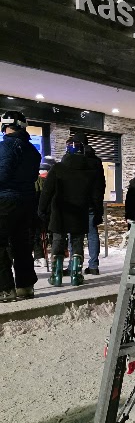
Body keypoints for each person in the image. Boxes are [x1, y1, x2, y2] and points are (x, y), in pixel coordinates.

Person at [38, 135, 103, 287]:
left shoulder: (57, 168)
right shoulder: (90, 171)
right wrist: (98, 212)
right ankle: (76, 275)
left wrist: (42, 210)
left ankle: (56, 275)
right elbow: (96, 195)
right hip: (80, 211)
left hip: (59, 210)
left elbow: (47, 191)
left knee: (58, 239)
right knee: (77, 240)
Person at [0, 110, 41, 302]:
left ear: (5, 126)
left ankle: (5, 289)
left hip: (5, 201)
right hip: (27, 202)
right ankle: (25, 286)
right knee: (22, 245)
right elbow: (32, 177)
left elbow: (2, 175)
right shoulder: (33, 151)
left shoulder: (5, 147)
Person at [79, 134, 106, 275]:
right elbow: (101, 184)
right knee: (92, 233)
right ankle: (94, 265)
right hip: (92, 202)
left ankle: (74, 266)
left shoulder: (75, 159)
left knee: (75, 234)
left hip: (77, 201)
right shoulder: (96, 161)